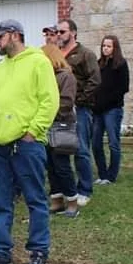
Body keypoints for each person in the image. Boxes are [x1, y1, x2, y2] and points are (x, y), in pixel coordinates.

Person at [0, 20, 58, 264]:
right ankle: (1, 253)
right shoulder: (0, 68)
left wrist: (32, 132)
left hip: (26, 145)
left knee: (35, 199)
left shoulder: (38, 62)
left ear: (14, 36)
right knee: (1, 201)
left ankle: (38, 252)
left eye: (0, 37)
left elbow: (49, 100)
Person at [56, 20, 100, 205]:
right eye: (57, 31)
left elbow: (95, 79)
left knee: (81, 148)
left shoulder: (85, 54)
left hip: (80, 108)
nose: (59, 34)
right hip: (60, 108)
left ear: (73, 32)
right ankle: (65, 188)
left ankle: (85, 189)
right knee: (61, 147)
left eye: (62, 31)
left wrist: (80, 100)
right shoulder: (57, 54)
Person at [42, 44, 81, 218]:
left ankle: (72, 201)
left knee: (62, 165)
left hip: (60, 126)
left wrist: (49, 113)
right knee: (50, 166)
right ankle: (56, 199)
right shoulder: (45, 76)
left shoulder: (66, 77)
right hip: (46, 127)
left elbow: (66, 102)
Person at [93, 34, 129, 185]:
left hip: (112, 109)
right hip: (97, 110)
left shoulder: (120, 64)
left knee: (113, 142)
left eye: (108, 46)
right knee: (95, 142)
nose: (105, 48)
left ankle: (111, 175)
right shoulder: (98, 63)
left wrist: (107, 102)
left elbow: (123, 87)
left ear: (115, 48)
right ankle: (102, 174)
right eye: (103, 46)